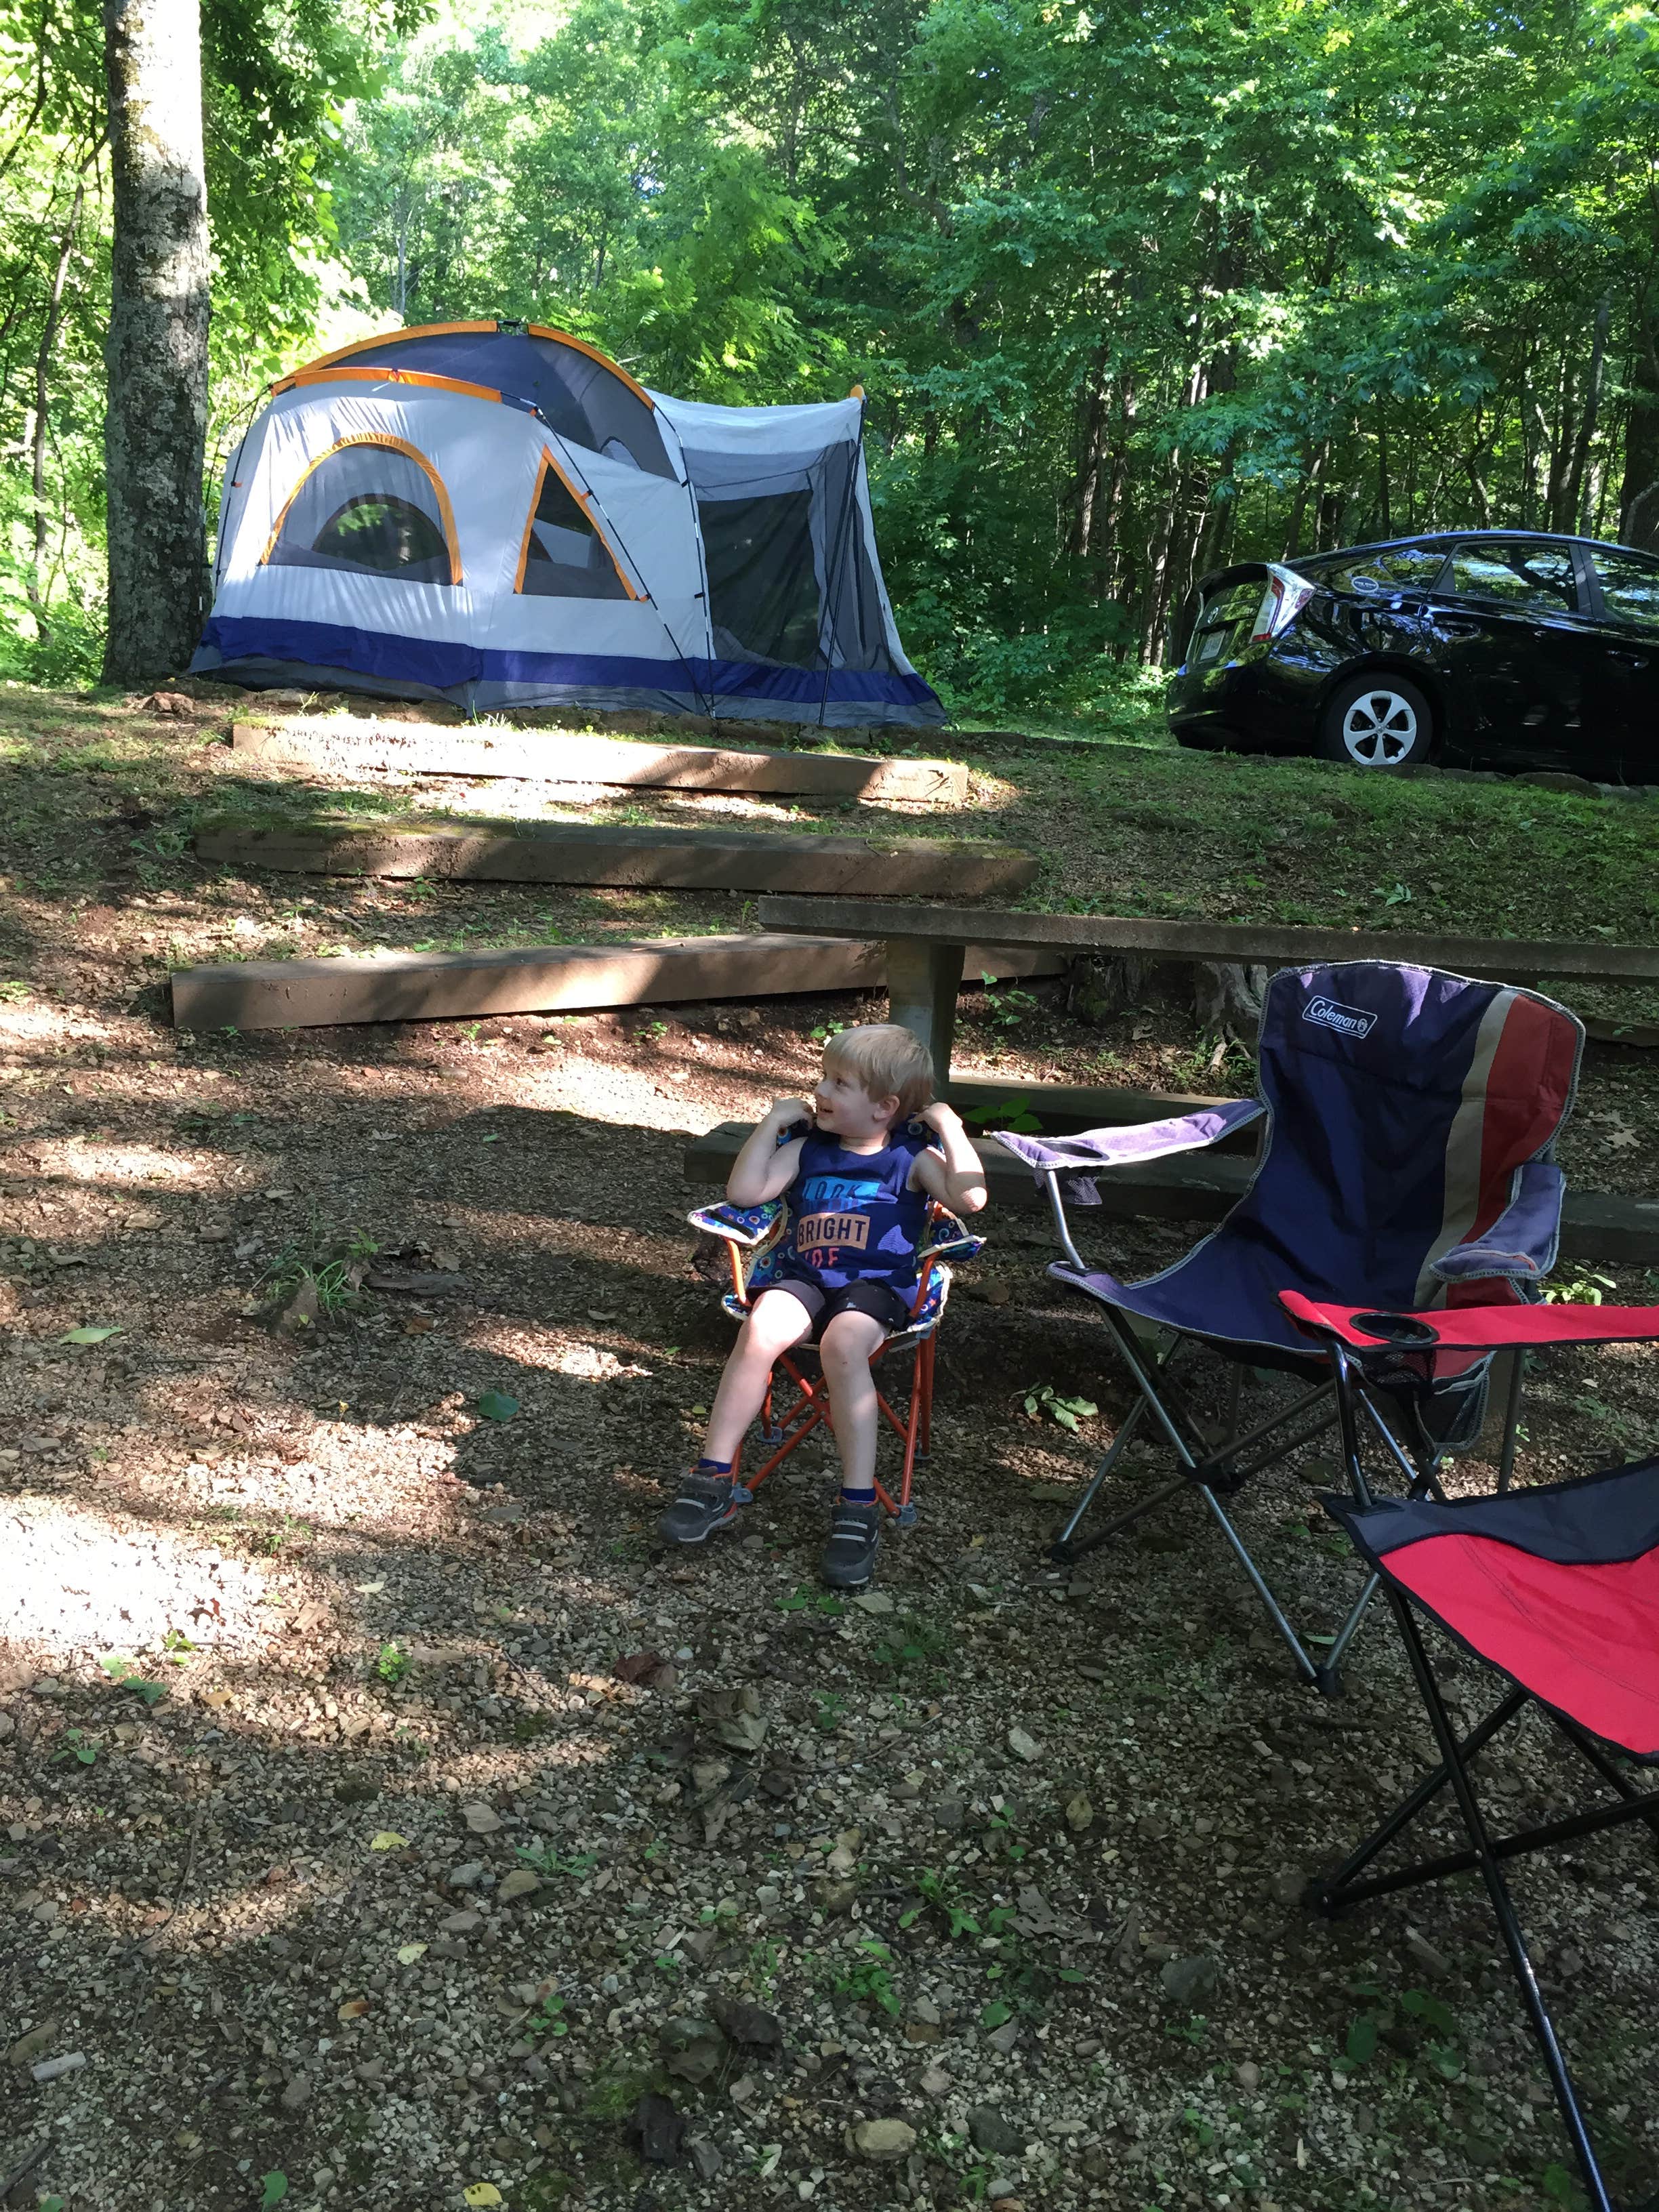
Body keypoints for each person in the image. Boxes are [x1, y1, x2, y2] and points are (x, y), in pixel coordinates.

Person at [660, 1023, 987, 1586]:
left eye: (839, 1083)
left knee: (842, 1345)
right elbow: (745, 1194)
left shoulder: (910, 1157)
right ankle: (713, 1477)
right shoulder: (806, 1149)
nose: (820, 1090)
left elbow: (971, 1198)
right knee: (760, 1330)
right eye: (823, 1076)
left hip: (876, 1286)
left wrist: (950, 1128)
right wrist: (771, 1124)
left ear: (885, 1107)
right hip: (803, 1276)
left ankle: (858, 1504)